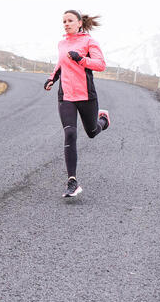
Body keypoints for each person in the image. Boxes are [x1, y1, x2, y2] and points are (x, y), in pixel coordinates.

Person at [44, 10, 111, 198]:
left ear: (79, 23)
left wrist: (81, 59)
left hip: (86, 95)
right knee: (70, 133)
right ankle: (72, 181)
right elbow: (60, 64)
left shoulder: (89, 42)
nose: (66, 23)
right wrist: (51, 78)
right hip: (66, 96)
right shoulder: (62, 43)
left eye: (70, 20)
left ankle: (103, 120)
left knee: (91, 132)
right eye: (64, 21)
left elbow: (100, 64)